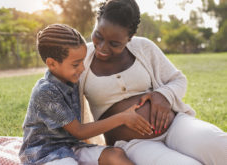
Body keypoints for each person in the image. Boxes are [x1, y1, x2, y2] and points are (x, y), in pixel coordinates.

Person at [79, 0, 227, 164]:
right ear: (96, 23)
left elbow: (177, 80)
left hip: (175, 126)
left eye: (114, 44)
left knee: (220, 144)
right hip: (133, 144)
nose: (103, 47)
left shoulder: (144, 47)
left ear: (130, 38)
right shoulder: (80, 60)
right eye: (98, 36)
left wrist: (163, 95)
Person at [19, 24, 154, 165]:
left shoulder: (71, 80)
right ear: (52, 64)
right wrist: (123, 118)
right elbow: (79, 131)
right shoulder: (46, 92)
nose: (82, 68)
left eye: (83, 61)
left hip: (71, 146)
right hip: (44, 153)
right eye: (76, 64)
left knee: (115, 154)